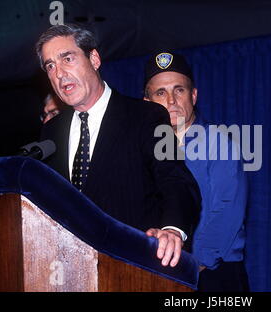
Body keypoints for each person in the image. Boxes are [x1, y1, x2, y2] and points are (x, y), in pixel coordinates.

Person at [36, 24, 201, 267]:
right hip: (70, 268)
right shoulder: (51, 131)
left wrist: (172, 229)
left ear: (94, 58)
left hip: (132, 266)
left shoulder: (147, 116)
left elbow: (176, 180)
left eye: (67, 58)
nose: (59, 73)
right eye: (50, 66)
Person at [143, 52, 249, 291]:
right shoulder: (144, 149)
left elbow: (226, 211)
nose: (171, 100)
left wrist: (193, 266)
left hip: (212, 273)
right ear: (147, 103)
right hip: (160, 272)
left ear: (193, 95)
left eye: (179, 90)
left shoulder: (219, 142)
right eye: (161, 92)